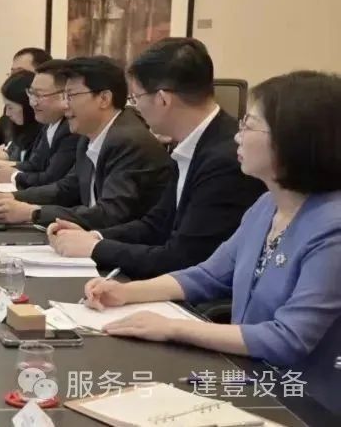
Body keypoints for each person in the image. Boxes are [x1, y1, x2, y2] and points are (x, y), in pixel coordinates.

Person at [82, 71, 341, 414]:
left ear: (294, 139)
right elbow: (209, 275)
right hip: (247, 374)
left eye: (249, 126)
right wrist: (126, 292)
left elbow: (288, 339)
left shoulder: (332, 229)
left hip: (302, 401)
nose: (236, 136)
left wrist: (173, 328)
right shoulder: (267, 205)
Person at [48, 39, 265, 279]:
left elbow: (184, 258)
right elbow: (156, 224)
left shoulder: (225, 159)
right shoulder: (192, 143)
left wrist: (95, 249)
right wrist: (94, 237)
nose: (136, 108)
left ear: (163, 99)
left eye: (136, 98)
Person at [0, 56, 171, 229]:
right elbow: (67, 189)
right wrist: (10, 198)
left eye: (71, 96)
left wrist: (32, 213)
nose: (65, 105)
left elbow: (111, 214)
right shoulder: (88, 135)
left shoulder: (128, 141)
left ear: (104, 99)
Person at [0, 59, 81, 189]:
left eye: (39, 95)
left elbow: (50, 179)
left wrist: (12, 177)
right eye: (31, 93)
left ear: (65, 95)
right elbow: (34, 165)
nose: (33, 102)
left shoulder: (71, 129)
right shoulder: (49, 123)